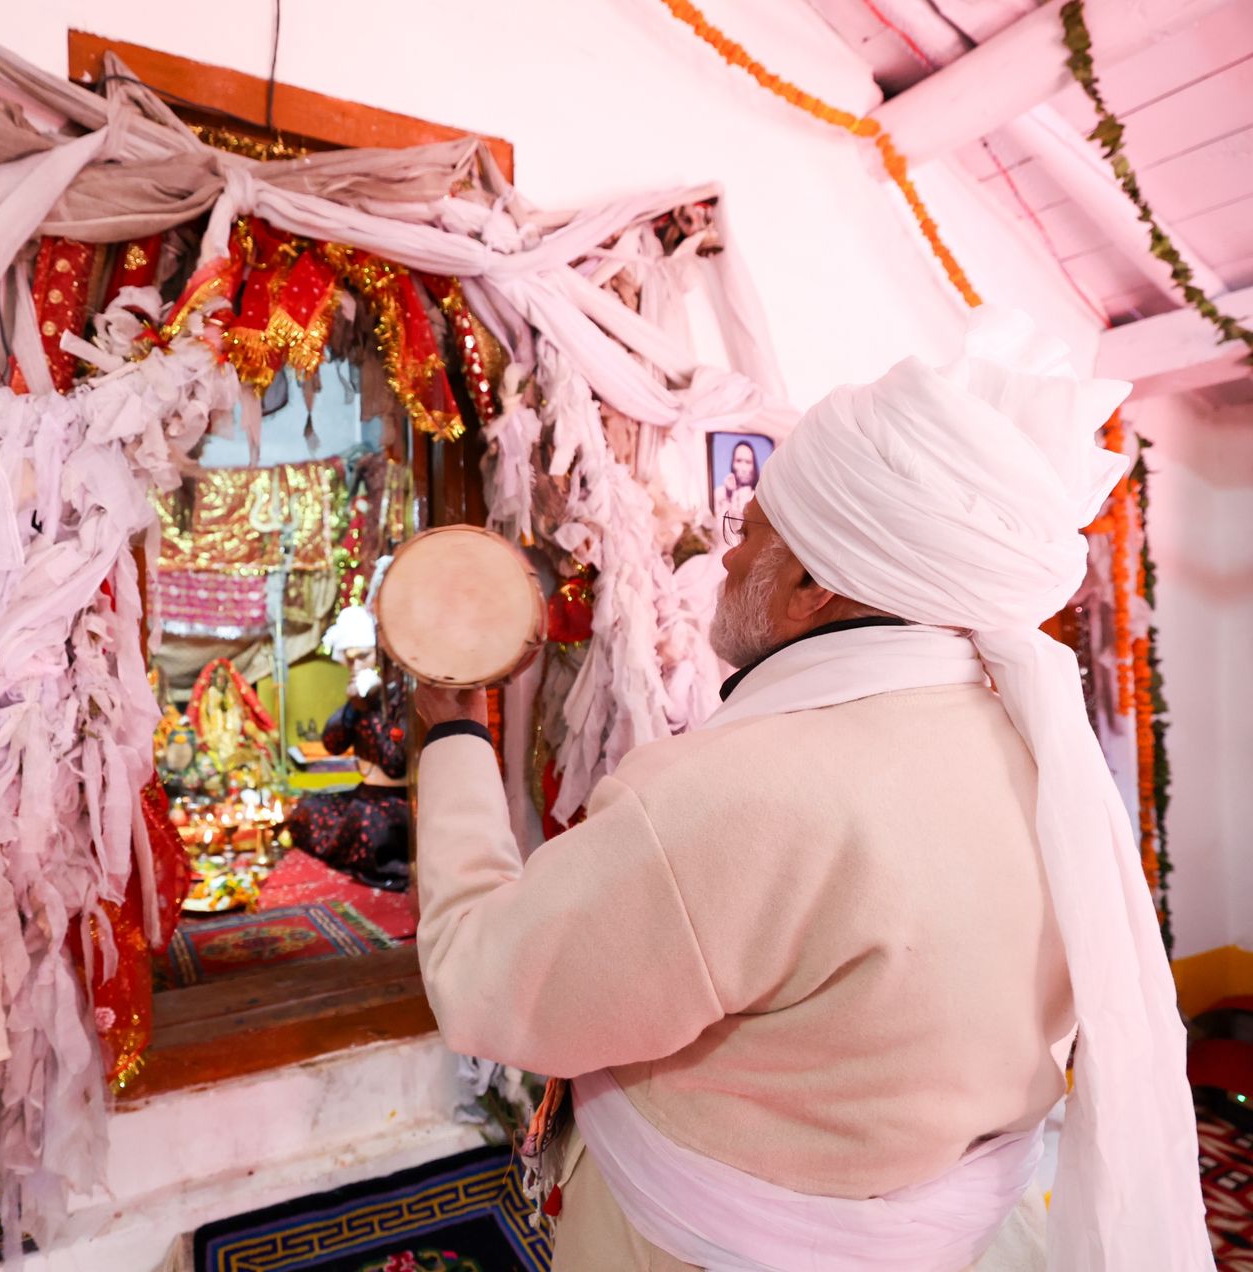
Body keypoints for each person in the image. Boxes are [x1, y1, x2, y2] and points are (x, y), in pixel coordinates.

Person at [413, 311, 1210, 1271]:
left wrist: (453, 733)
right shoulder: (1041, 758)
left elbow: (484, 983)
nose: (726, 559)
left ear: (810, 587)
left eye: (749, 533)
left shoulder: (737, 792)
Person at [286, 606, 411, 890]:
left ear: (381, 655)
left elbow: (395, 763)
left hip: (398, 802)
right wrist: (354, 708)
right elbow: (332, 744)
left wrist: (369, 708)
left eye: (363, 657)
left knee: (366, 821)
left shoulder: (402, 697)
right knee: (308, 808)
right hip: (366, 793)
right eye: (350, 659)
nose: (356, 667)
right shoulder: (361, 696)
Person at [714, 438, 760, 520]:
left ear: (754, 467)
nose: (743, 468)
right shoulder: (719, 494)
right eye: (739, 461)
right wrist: (728, 497)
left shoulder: (760, 498)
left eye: (748, 462)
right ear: (732, 463)